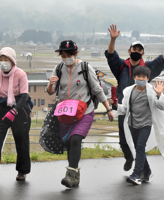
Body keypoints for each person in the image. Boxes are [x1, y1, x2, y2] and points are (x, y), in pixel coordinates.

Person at [105, 24, 164, 171]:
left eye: (140, 50)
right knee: (123, 141)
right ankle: (129, 158)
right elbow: (111, 55)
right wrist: (113, 39)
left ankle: (142, 171)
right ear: (129, 51)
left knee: (139, 143)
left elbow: (162, 60)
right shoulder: (121, 66)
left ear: (143, 53)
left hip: (143, 110)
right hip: (124, 108)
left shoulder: (147, 68)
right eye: (134, 49)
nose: (137, 51)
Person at [47, 40, 114, 188]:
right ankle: (75, 176)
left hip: (85, 112)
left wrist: (108, 109)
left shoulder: (85, 67)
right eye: (63, 55)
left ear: (76, 53)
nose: (66, 58)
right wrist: (50, 84)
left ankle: (70, 175)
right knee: (70, 144)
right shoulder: (58, 69)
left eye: (69, 54)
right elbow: (51, 91)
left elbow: (97, 89)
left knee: (76, 139)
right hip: (65, 113)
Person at [116, 66, 164, 185]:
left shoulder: (152, 91)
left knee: (140, 147)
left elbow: (162, 106)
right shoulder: (129, 91)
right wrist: (115, 106)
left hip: (145, 124)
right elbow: (124, 109)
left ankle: (136, 174)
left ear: (148, 78)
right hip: (132, 124)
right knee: (139, 149)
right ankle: (147, 172)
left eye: (144, 77)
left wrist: (159, 95)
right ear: (134, 77)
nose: (141, 79)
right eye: (138, 76)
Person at [0, 47, 32, 181]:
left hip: (19, 110)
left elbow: (25, 96)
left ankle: (22, 171)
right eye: (0, 60)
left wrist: (14, 111)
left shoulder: (21, 74)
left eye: (6, 59)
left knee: (21, 141)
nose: (3, 62)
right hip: (1, 110)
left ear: (12, 61)